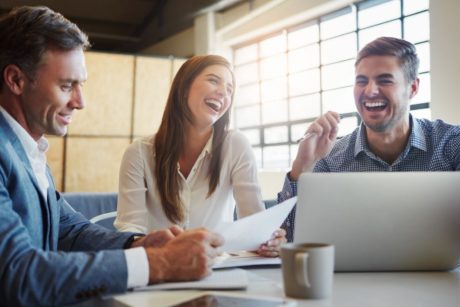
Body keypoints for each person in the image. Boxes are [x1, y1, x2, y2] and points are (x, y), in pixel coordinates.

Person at [0, 6, 224, 306]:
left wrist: (140, 243)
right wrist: (160, 264)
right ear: (16, 80)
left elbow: (70, 230)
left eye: (81, 85)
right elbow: (18, 275)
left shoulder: (29, 148)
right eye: (67, 86)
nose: (80, 102)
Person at [278, 36, 460, 241]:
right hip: (353, 273)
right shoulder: (329, 160)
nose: (370, 91)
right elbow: (290, 238)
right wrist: (301, 167)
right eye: (361, 81)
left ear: (413, 88)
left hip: (442, 273)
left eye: (385, 80)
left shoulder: (452, 143)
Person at [115, 55, 286, 257]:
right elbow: (130, 231)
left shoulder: (236, 145)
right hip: (159, 267)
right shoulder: (139, 153)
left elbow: (254, 225)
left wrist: (268, 240)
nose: (223, 92)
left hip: (216, 269)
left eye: (230, 89)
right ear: (184, 87)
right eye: (213, 80)